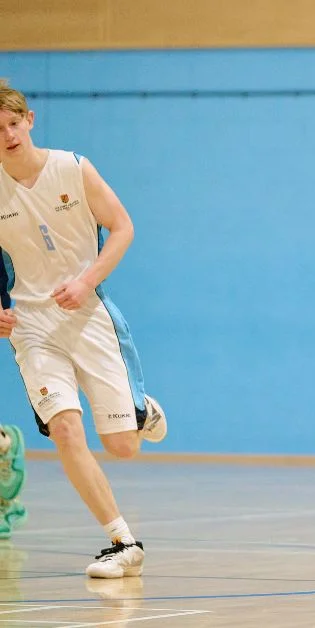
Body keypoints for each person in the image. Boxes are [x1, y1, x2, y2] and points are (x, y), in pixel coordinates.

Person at [0, 79, 168, 577]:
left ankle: (143, 411)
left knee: (122, 446)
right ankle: (122, 542)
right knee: (66, 429)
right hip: (31, 327)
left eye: (13, 123)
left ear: (29, 121)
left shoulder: (72, 167)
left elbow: (123, 227)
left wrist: (86, 280)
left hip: (88, 315)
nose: (7, 135)